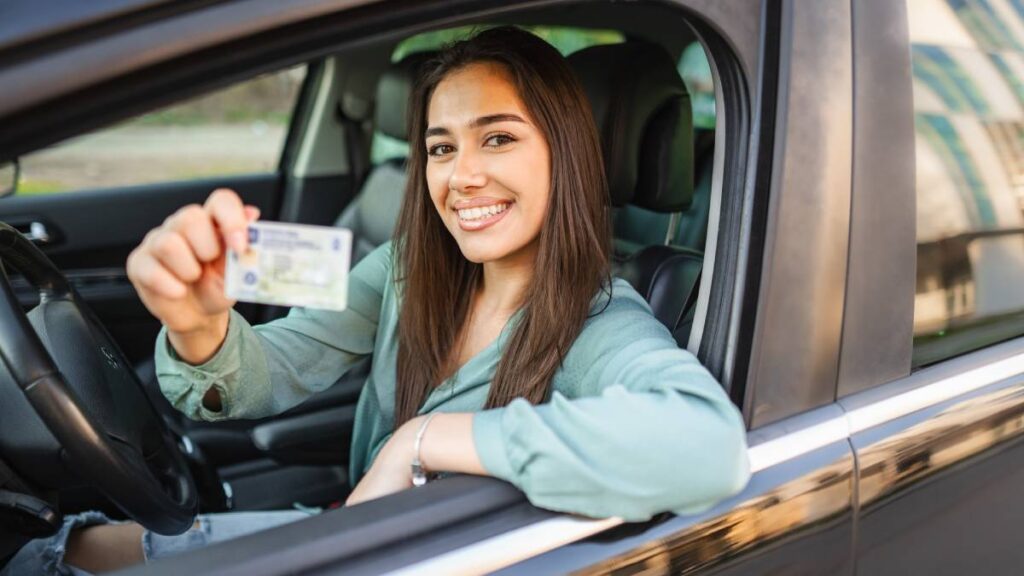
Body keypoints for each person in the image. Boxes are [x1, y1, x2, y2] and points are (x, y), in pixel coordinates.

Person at [3, 26, 750, 575]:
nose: (461, 177)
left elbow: (706, 446)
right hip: (352, 531)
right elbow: (269, 371)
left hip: (440, 558)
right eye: (440, 146)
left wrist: (420, 440)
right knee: (63, 553)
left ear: (568, 155)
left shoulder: (603, 318)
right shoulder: (401, 268)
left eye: (498, 139)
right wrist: (200, 327)